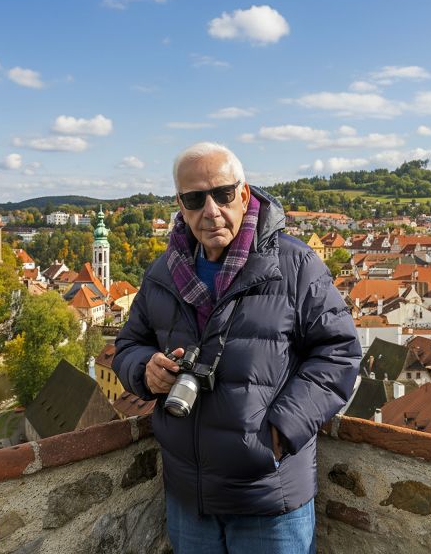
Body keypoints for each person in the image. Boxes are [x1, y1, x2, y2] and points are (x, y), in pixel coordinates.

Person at [114, 142, 361, 553]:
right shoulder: (162, 273)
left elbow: (339, 353)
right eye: (194, 199)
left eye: (223, 194)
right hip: (189, 497)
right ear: (180, 204)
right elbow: (127, 346)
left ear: (244, 194)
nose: (210, 210)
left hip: (268, 495)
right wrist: (144, 369)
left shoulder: (295, 265)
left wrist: (279, 433)